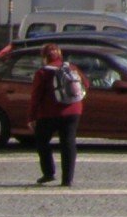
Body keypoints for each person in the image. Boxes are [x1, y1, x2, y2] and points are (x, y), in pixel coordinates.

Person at [30, 43, 86, 186]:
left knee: (42, 141)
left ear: (44, 57)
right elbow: (86, 84)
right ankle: (67, 180)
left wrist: (31, 117)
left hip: (49, 113)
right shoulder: (72, 68)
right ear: (60, 54)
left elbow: (35, 97)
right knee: (68, 143)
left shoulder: (42, 73)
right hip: (73, 110)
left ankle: (48, 173)